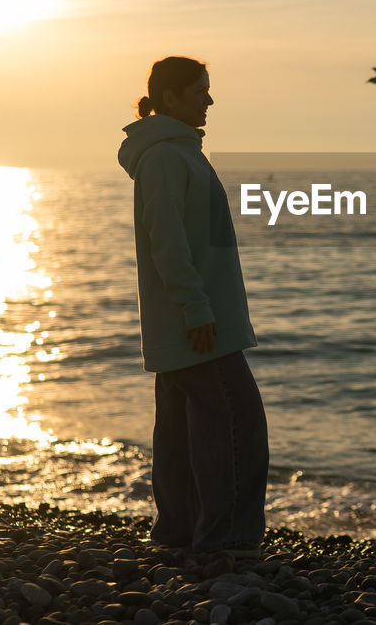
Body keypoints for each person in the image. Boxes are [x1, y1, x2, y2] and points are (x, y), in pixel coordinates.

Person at [117, 55, 268, 556]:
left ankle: (180, 535)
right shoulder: (165, 156)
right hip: (199, 322)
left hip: (191, 318)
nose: (209, 99)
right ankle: (227, 540)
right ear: (169, 97)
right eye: (200, 90)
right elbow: (168, 242)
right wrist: (196, 308)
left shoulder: (179, 151)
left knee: (182, 430)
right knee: (236, 424)